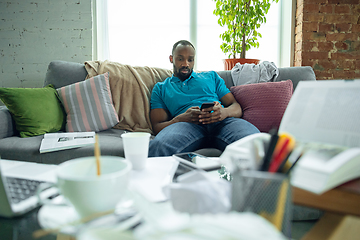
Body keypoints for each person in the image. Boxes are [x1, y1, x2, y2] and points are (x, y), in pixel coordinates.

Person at [148, 40, 259, 157]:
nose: (186, 64)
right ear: (171, 59)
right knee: (158, 147)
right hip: (186, 125)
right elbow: (157, 126)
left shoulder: (211, 76)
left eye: (190, 59)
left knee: (255, 143)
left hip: (223, 122)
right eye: (180, 59)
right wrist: (179, 119)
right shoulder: (161, 88)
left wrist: (224, 112)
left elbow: (236, 106)